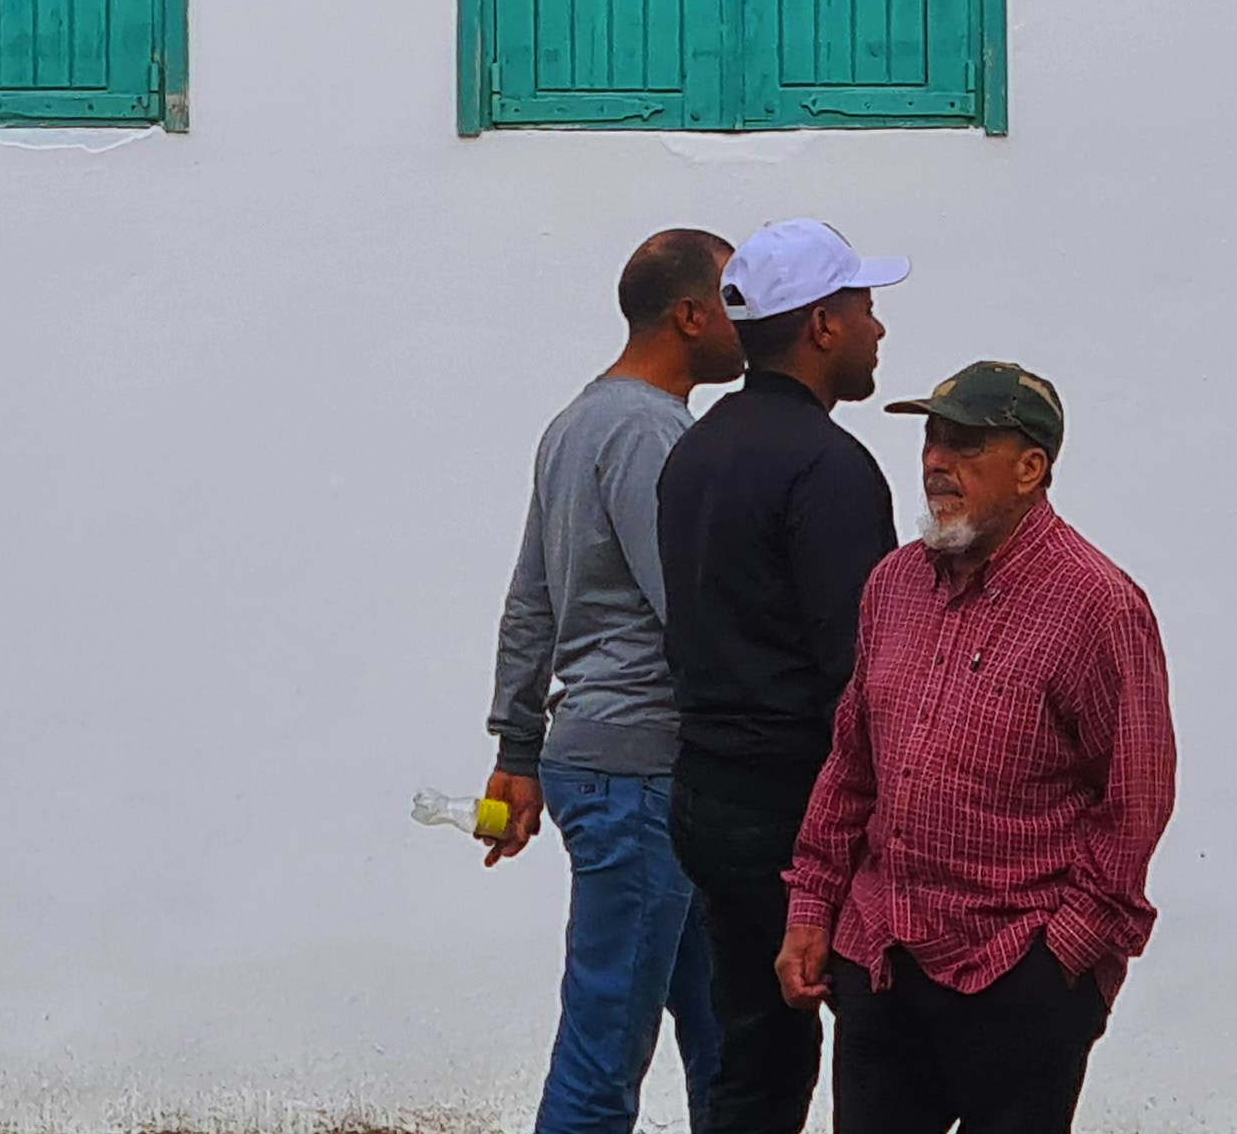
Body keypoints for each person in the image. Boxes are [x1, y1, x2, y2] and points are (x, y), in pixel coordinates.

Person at [774, 362, 1175, 1134]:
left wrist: (1063, 959)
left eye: (965, 444)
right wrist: (812, 906)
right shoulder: (893, 584)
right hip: (882, 959)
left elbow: (1137, 798)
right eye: (932, 437)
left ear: (1032, 468)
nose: (935, 461)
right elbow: (852, 765)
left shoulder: (1098, 607)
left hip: (1015, 970)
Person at [478, 229, 747, 1134]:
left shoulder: (577, 423)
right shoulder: (648, 432)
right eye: (734, 299)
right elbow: (692, 610)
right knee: (604, 1058)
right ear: (690, 317)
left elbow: (529, 603)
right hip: (642, 775)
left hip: (615, 767)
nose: (752, 319)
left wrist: (518, 749)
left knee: (729, 1044)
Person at [654, 218, 909, 1134]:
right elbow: (863, 673)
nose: (880, 328)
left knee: (756, 1062)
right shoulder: (829, 468)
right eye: (866, 307)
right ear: (822, 326)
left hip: (705, 794)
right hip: (795, 808)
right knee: (894, 1053)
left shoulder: (698, 449)